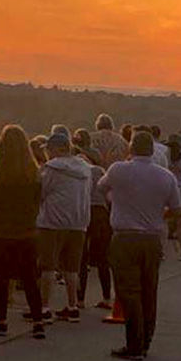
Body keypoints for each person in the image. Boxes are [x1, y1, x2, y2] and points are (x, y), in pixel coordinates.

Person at [97, 131, 181, 360]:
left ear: (130, 149)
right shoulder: (166, 177)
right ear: (152, 151)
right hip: (152, 237)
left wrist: (116, 200)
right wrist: (158, 215)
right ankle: (146, 341)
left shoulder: (118, 170)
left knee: (128, 291)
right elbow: (177, 209)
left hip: (124, 236)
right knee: (149, 290)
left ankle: (134, 343)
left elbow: (100, 187)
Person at [0, 125, 46, 338]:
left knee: (2, 277)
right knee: (30, 278)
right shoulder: (33, 175)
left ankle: (2, 321)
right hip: (26, 231)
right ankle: (38, 321)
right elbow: (38, 201)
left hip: (0, 230)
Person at [36, 132, 91, 323]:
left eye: (49, 150)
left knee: (48, 265)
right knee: (71, 268)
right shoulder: (85, 168)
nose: (47, 154)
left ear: (57, 150)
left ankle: (44, 307)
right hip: (78, 222)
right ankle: (73, 305)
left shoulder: (51, 168)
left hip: (52, 222)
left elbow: (42, 192)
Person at [75, 132, 112, 309]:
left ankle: (80, 299)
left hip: (83, 212)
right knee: (103, 259)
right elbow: (109, 194)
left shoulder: (77, 171)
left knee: (82, 258)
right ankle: (106, 297)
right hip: (101, 213)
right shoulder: (100, 171)